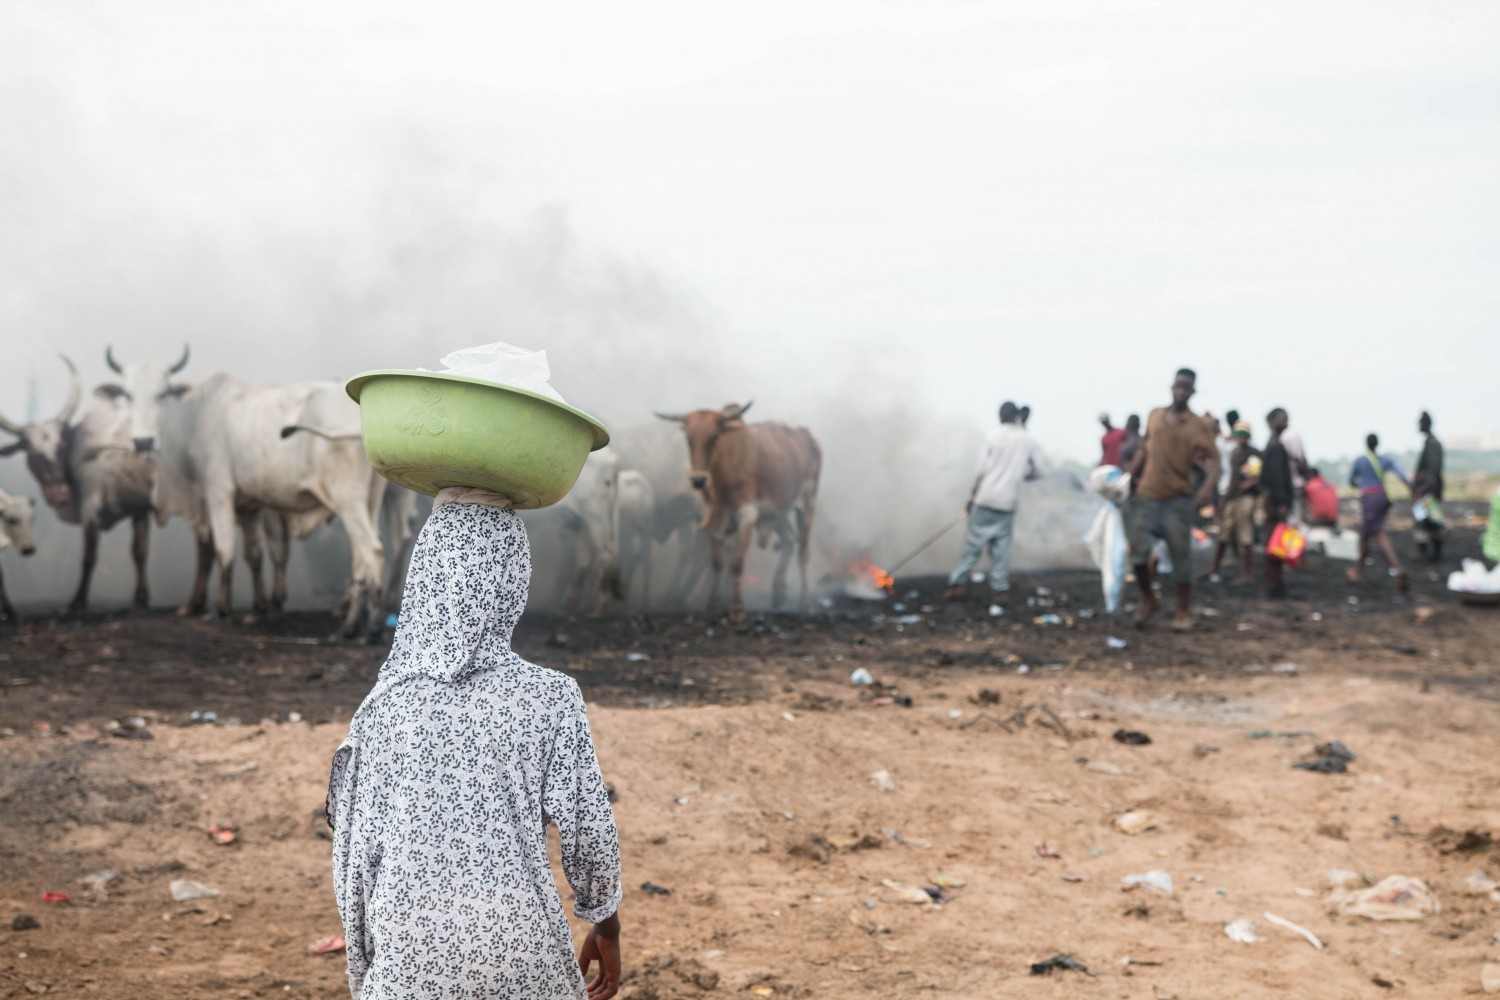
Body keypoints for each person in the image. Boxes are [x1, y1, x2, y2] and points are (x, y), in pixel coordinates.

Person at [328, 497, 624, 1000]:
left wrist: (367, 975)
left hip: (408, 967)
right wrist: (606, 928)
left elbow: (353, 865)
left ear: (423, 579)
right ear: (513, 582)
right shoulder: (551, 698)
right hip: (528, 964)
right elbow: (590, 839)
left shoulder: (380, 711)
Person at [1124, 369, 1218, 630]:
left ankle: (1182, 610)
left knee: (1181, 556)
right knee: (1139, 555)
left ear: (1193, 391)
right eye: (1178, 386)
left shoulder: (1198, 425)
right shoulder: (1154, 416)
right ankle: (1147, 599)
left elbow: (1215, 460)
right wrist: (1128, 476)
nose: (1181, 391)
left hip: (1177, 499)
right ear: (1172, 387)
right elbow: (1144, 448)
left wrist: (1207, 488)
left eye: (1186, 387)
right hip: (1147, 495)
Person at [945, 401, 1046, 606]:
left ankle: (958, 585)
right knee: (1001, 550)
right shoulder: (1028, 439)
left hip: (985, 498)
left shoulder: (993, 436)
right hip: (1008, 503)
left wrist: (971, 498)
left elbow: (980, 471)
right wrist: (1019, 475)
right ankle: (999, 591)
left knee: (972, 546)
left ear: (1002, 415)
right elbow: (1039, 470)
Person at [1347, 433, 1411, 593]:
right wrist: (1413, 488)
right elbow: (1402, 476)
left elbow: (1351, 481)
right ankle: (1357, 571)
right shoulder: (1385, 460)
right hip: (1382, 498)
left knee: (1376, 534)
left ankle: (1397, 569)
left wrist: (1363, 485)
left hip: (1369, 500)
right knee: (1367, 535)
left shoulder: (1360, 461)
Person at [1209, 420, 1259, 584]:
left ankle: (1247, 573)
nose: (1241, 439)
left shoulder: (1254, 454)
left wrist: (1249, 484)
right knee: (1223, 534)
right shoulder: (1235, 454)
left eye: (1244, 436)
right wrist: (1223, 502)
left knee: (1246, 536)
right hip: (1232, 496)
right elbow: (1232, 479)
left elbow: (1259, 477)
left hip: (1246, 498)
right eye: (1239, 436)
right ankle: (1214, 569)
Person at [1261, 409, 1296, 598]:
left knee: (1275, 542)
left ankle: (1275, 583)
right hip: (1275, 504)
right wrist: (1282, 503)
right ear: (1273, 421)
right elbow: (1276, 479)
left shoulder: (1273, 445)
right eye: (1283, 417)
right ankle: (1274, 584)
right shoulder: (1276, 447)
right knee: (1275, 545)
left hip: (1273, 502)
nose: (1287, 420)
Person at [1412, 411, 1446, 562]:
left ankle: (1429, 553)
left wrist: (1423, 492)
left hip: (1427, 491)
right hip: (1430, 490)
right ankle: (1431, 553)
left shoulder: (1432, 445)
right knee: (1429, 521)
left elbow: (1431, 471)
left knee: (1427, 521)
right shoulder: (1432, 443)